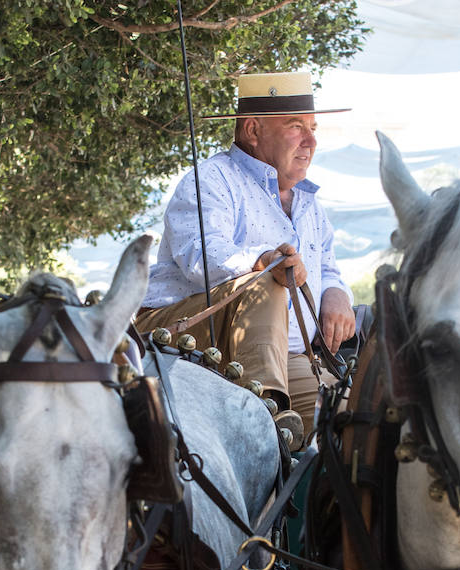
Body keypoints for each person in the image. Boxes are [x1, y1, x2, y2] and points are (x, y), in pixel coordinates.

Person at [135, 70, 356, 449]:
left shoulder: (309, 202)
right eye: (295, 126)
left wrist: (337, 293)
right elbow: (199, 256)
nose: (311, 140)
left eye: (313, 127)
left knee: (348, 429)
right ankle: (265, 410)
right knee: (270, 278)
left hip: (292, 356)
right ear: (253, 131)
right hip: (187, 335)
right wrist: (263, 260)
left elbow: (329, 265)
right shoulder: (211, 179)